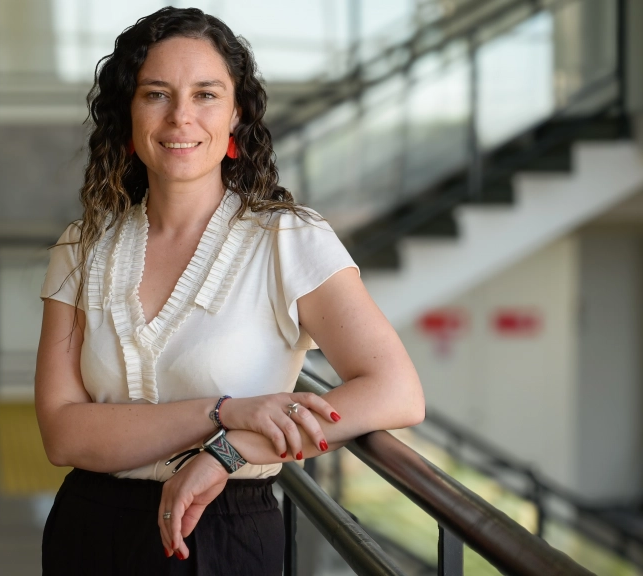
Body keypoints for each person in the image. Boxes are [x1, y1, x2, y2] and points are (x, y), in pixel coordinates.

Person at [35, 7, 424, 575]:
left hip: (223, 536)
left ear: (237, 112)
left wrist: (230, 449)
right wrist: (227, 412)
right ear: (128, 112)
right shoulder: (82, 245)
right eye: (156, 94)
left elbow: (396, 392)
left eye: (206, 95)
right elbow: (62, 434)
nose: (180, 118)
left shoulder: (288, 239)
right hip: (89, 532)